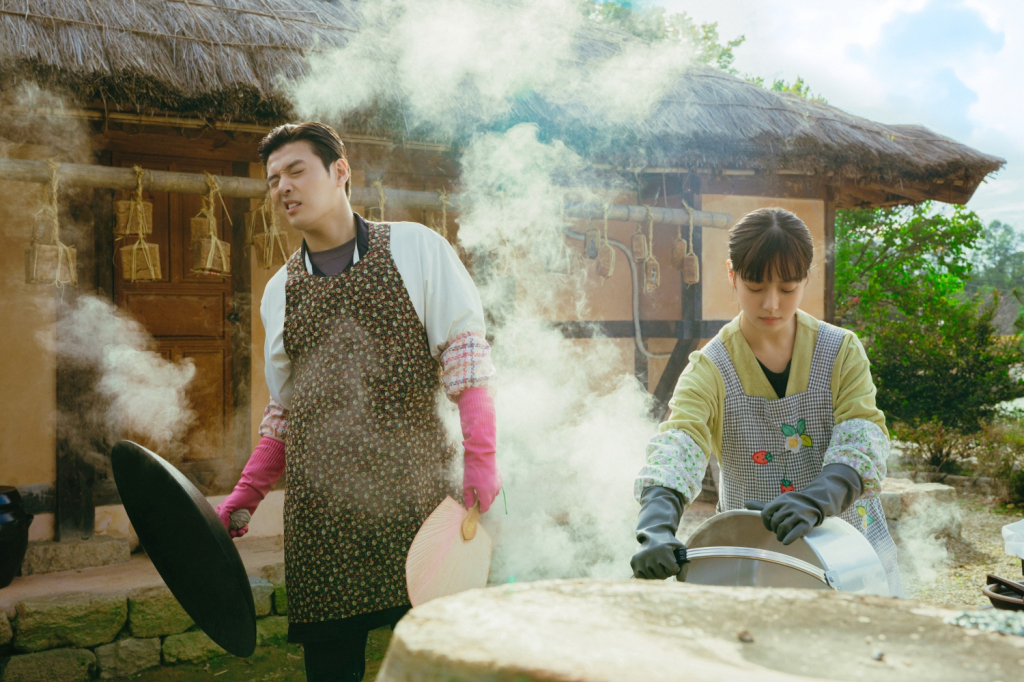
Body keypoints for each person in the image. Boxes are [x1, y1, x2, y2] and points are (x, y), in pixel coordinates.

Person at [215, 122, 501, 681]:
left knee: (438, 662)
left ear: (340, 172)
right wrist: (247, 492)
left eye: (296, 171)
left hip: (418, 501)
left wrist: (482, 457)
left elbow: (466, 359)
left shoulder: (417, 248)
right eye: (273, 179)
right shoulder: (279, 291)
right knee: (331, 670)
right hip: (322, 519)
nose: (283, 187)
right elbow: (286, 412)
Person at [630, 207, 901, 597]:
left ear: (806, 279)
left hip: (853, 555)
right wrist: (655, 527)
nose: (771, 304)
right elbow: (679, 444)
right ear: (732, 275)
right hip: (754, 560)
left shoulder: (841, 351)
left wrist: (816, 499)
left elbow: (862, 436)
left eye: (787, 288)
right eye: (755, 286)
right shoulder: (711, 368)